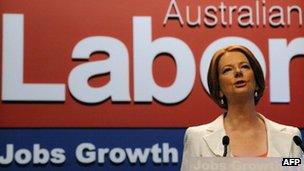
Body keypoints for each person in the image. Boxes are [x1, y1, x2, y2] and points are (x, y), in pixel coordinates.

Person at [181, 45, 303, 169]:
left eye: (245, 66)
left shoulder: (291, 138)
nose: (238, 72)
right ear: (219, 90)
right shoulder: (197, 139)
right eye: (227, 70)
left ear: (256, 82)